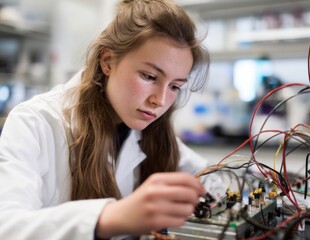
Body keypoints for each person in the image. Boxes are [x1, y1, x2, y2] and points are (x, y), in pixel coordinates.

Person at [0, 0, 216, 239]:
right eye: (149, 76)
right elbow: (7, 226)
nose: (161, 100)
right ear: (107, 61)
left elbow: (213, 177)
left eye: (175, 86)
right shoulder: (36, 121)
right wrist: (109, 216)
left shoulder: (151, 130)